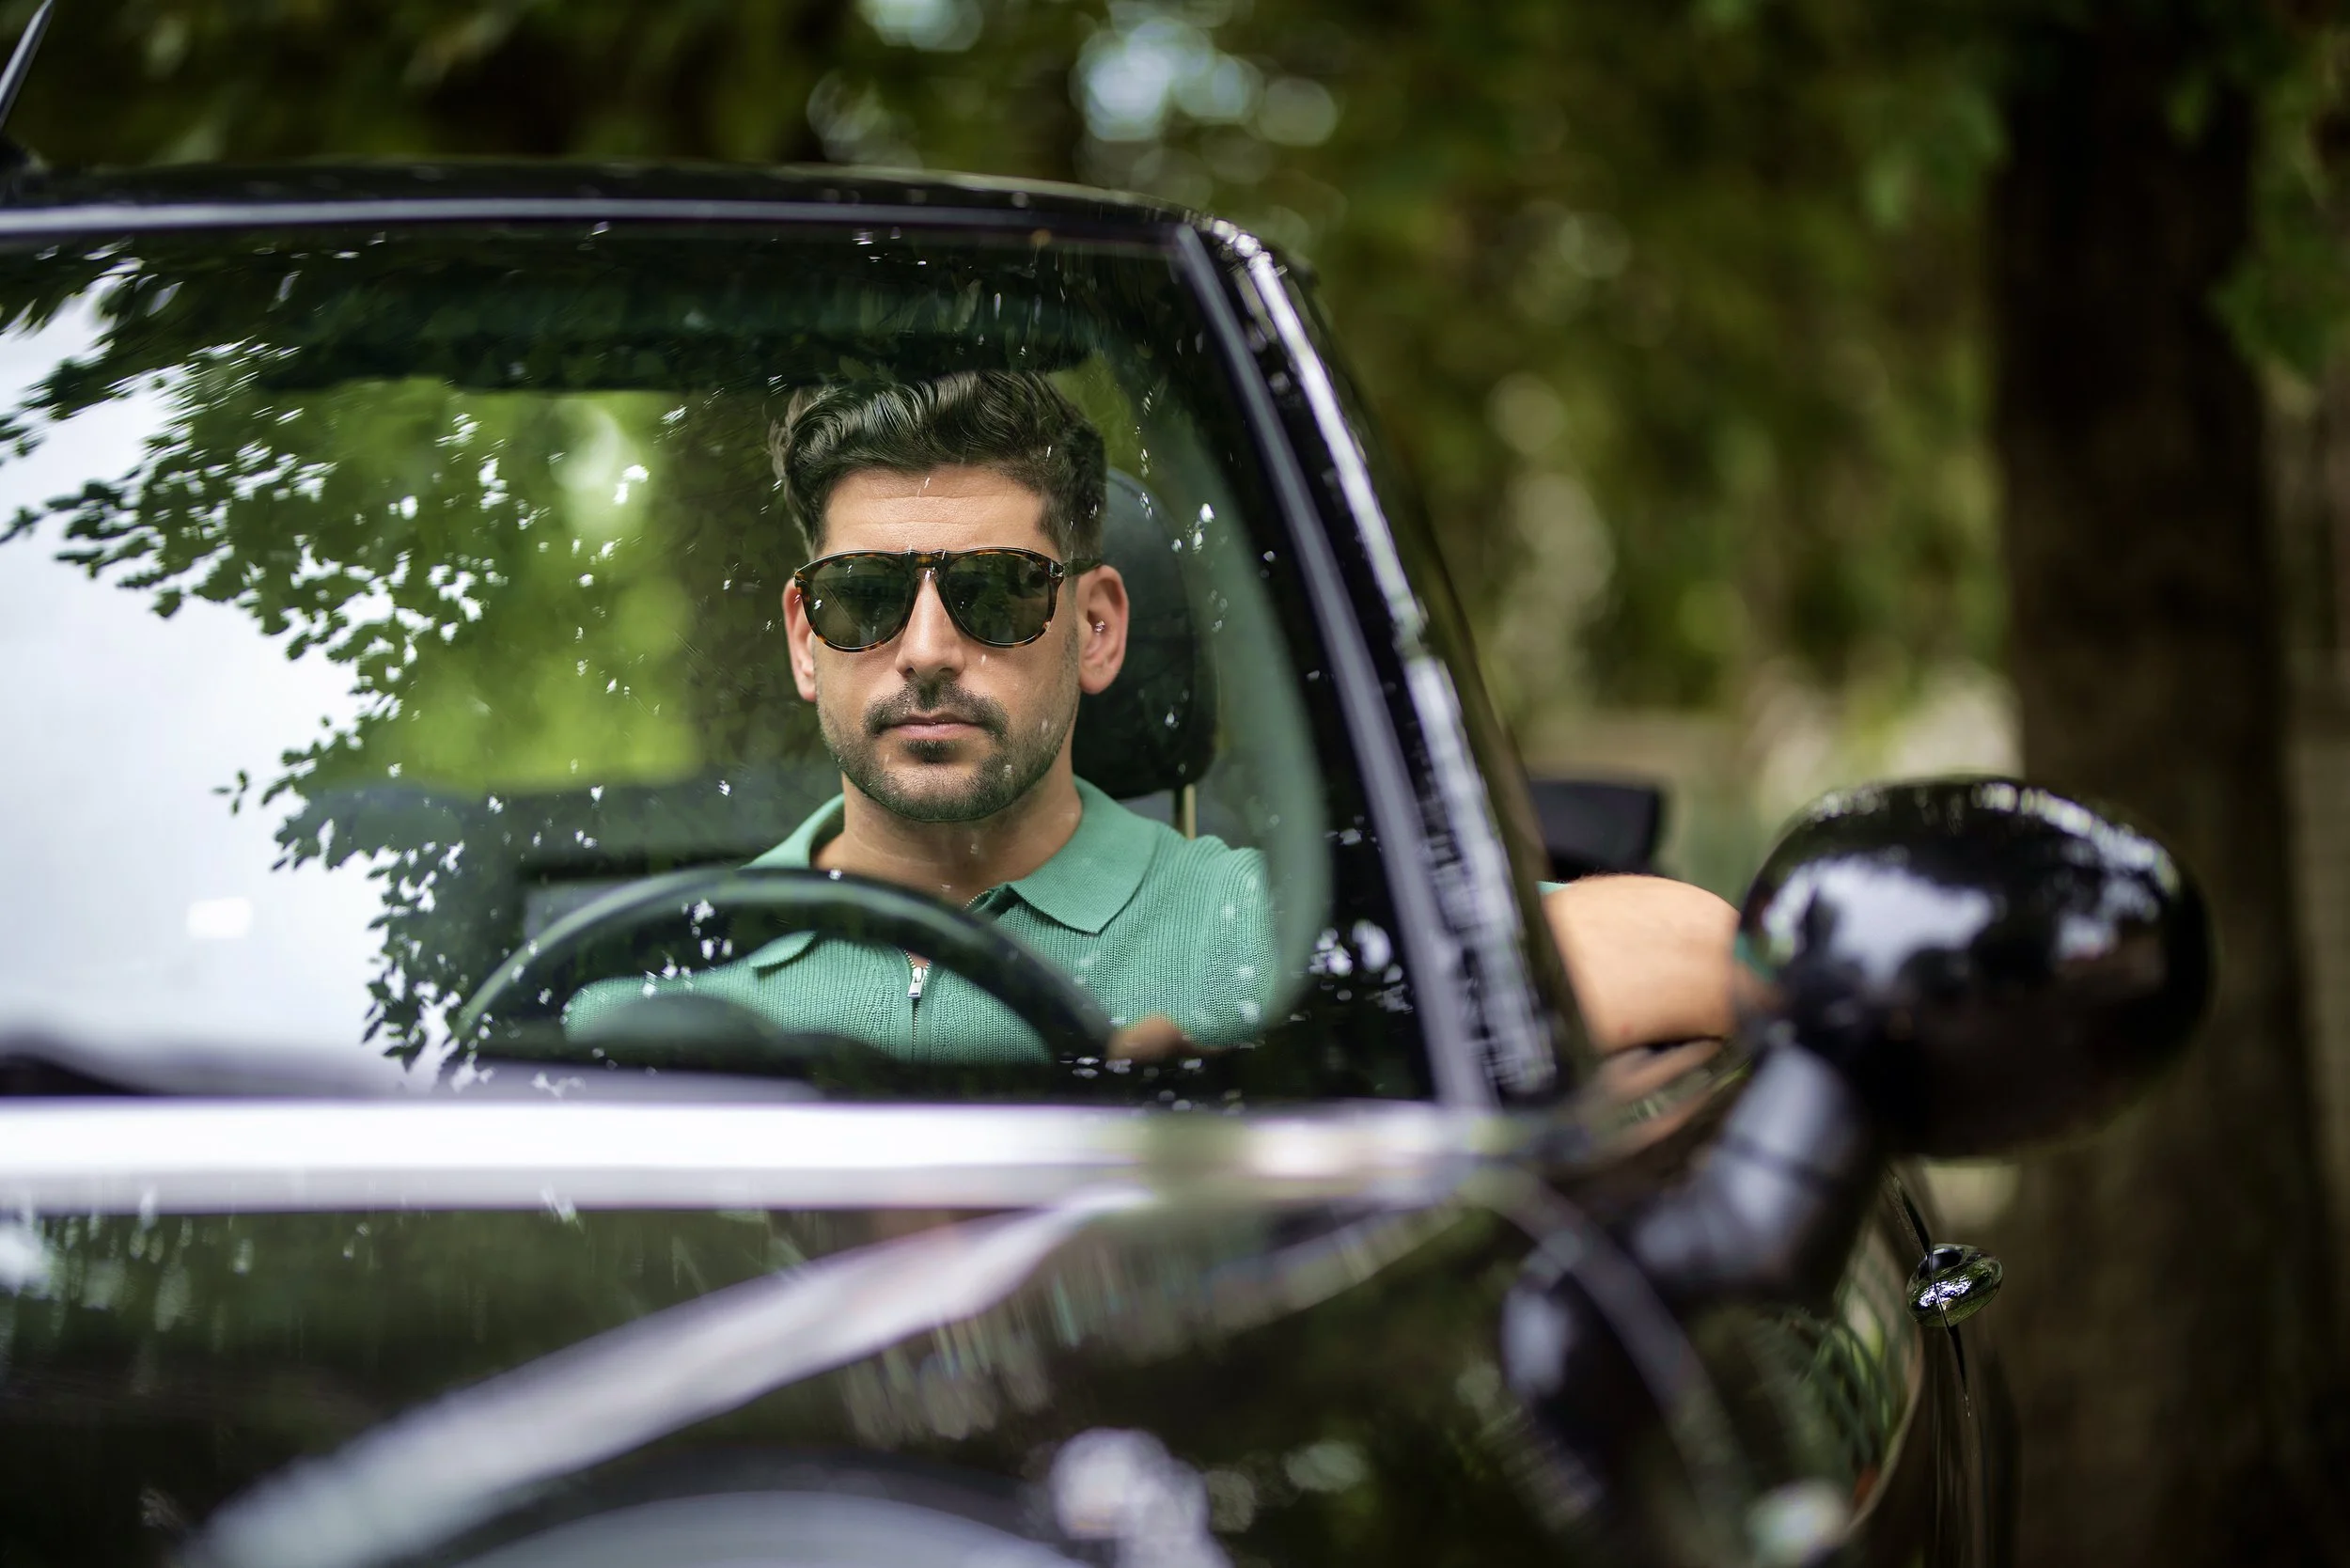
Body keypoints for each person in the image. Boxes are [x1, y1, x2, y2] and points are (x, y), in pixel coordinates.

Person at [570, 370, 1735, 1066]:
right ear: (802, 636)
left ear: (1097, 629)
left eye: (995, 592)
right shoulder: (645, 987)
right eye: (866, 597)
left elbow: (1703, 952)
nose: (925, 649)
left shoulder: (1251, 936)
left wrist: (1293, 1042)